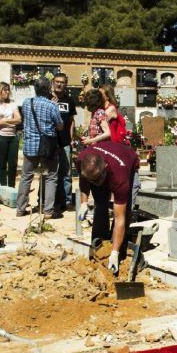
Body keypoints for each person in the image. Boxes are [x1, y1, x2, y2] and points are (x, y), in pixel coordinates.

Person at [77, 140, 140, 275]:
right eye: (92, 181)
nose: (95, 184)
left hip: (128, 167)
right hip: (101, 168)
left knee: (125, 211)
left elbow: (120, 219)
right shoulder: (82, 160)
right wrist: (83, 203)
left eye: (97, 180)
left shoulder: (120, 178)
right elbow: (84, 180)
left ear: (105, 168)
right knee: (100, 205)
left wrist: (114, 253)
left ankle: (117, 253)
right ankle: (99, 249)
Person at [14, 77, 62, 217]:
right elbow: (59, 126)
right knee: (51, 177)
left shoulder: (26, 103)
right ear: (48, 89)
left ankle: (20, 209)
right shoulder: (52, 105)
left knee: (26, 177)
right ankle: (48, 211)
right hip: (48, 146)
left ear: (34, 89)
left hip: (30, 145)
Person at [0, 82, 21, 187]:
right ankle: (3, 187)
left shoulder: (12, 104)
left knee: (13, 164)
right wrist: (10, 121)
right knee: (2, 164)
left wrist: (5, 120)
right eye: (5, 90)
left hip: (12, 137)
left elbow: (19, 119)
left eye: (8, 89)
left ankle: (11, 187)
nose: (7, 92)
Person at [51, 73, 77, 211]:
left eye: (62, 82)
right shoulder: (48, 99)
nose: (59, 84)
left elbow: (72, 121)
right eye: (57, 81)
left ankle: (67, 201)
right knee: (52, 173)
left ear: (66, 84)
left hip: (65, 142)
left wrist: (72, 138)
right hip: (51, 142)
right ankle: (53, 200)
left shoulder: (70, 100)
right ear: (53, 82)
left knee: (66, 173)